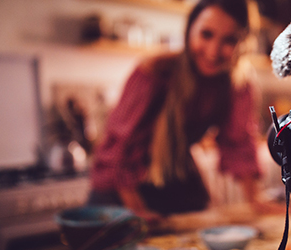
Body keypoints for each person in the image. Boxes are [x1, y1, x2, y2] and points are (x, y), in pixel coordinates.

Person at [88, 0, 263, 223]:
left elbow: (239, 143)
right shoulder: (154, 72)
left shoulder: (238, 85)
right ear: (189, 30)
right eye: (206, 34)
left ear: (244, 43)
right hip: (120, 188)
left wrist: (255, 201)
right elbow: (120, 148)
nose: (213, 51)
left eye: (229, 40)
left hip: (176, 176)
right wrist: (138, 212)